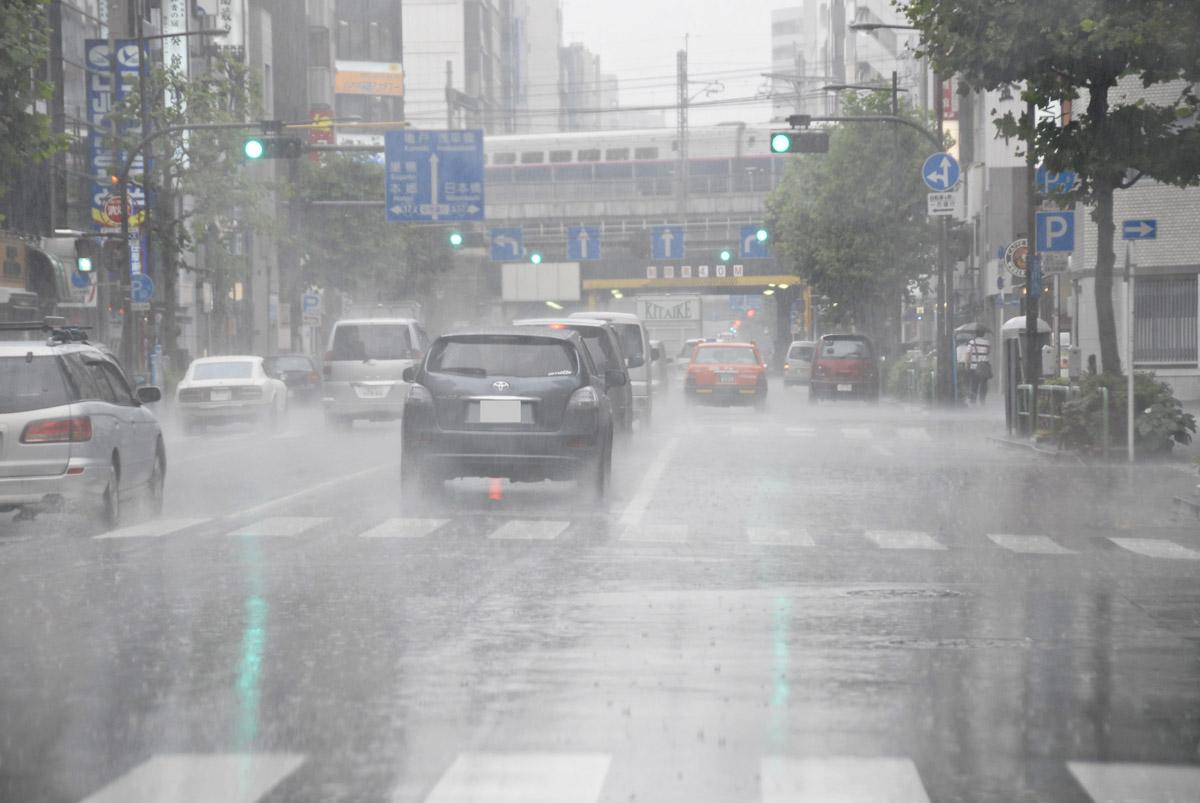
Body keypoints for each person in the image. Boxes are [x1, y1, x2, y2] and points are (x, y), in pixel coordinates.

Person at [968, 326, 992, 404]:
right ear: (983, 334)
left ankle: (973, 401)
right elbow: (988, 352)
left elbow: (968, 353)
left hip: (974, 367)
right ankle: (982, 401)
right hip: (984, 366)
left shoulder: (972, 342)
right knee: (983, 385)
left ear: (976, 334)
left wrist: (968, 363)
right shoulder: (987, 342)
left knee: (974, 384)